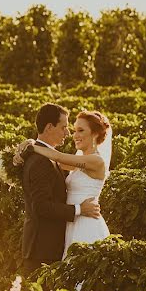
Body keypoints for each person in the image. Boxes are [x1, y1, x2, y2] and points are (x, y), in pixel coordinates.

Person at [18, 108, 112, 261]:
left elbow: (57, 156)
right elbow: (54, 163)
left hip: (86, 222)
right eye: (74, 130)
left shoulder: (96, 161)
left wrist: (32, 146)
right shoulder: (80, 162)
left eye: (80, 130)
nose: (74, 135)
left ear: (95, 134)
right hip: (73, 222)